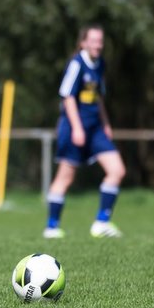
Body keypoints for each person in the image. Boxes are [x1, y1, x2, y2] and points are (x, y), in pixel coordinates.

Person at [43, 24, 126, 239]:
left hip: (96, 128)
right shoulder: (76, 64)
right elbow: (67, 96)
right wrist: (77, 128)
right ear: (83, 43)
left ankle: (101, 222)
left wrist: (106, 124)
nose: (98, 45)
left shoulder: (100, 65)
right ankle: (51, 227)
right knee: (66, 178)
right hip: (73, 128)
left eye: (100, 41)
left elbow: (98, 97)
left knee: (117, 170)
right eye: (94, 40)